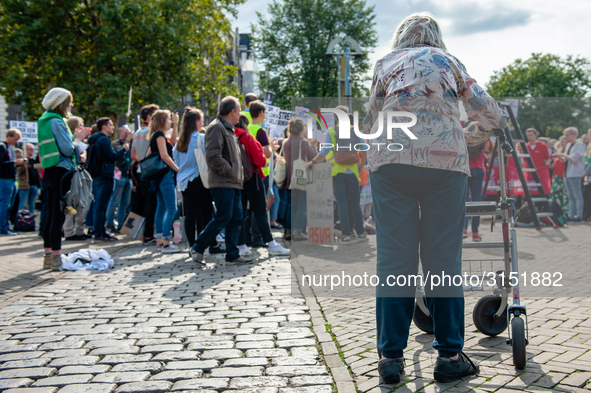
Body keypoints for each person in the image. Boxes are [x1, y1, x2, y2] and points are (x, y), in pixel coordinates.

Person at [364, 13, 506, 384]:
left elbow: (370, 118)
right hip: (444, 164)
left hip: (391, 162)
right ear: (435, 36)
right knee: (443, 258)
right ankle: (449, 356)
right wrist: (477, 130)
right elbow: (490, 112)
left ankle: (391, 358)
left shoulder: (385, 64)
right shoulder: (448, 61)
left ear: (400, 37)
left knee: (394, 259)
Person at [190, 96, 251, 264]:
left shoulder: (228, 128)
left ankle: (232, 253)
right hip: (223, 182)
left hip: (233, 182)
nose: (240, 115)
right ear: (232, 111)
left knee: (236, 218)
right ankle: (198, 247)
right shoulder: (217, 127)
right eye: (239, 111)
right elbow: (213, 156)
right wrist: (230, 171)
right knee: (223, 217)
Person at [37, 87, 86, 270]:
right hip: (62, 171)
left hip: (49, 170)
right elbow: (67, 148)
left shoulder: (43, 120)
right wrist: (78, 139)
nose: (72, 104)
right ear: (61, 103)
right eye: (69, 101)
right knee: (58, 214)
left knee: (50, 214)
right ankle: (57, 258)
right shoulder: (57, 121)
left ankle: (48, 256)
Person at [309, 108, 368, 243]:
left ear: (336, 118)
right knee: (355, 204)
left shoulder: (331, 131)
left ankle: (346, 235)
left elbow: (324, 151)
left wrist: (312, 162)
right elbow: (365, 151)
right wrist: (359, 168)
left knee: (341, 203)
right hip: (353, 172)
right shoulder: (355, 131)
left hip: (336, 172)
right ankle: (361, 233)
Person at [235, 115, 290, 257]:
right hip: (253, 177)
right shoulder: (248, 137)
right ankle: (271, 244)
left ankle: (241, 245)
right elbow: (261, 159)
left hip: (237, 178)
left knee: (240, 212)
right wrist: (269, 149)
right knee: (260, 211)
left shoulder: (231, 137)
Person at [173, 107, 224, 254]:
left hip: (184, 182)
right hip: (199, 179)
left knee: (190, 214)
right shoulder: (200, 138)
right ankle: (211, 245)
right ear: (196, 121)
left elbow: (176, 160)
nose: (202, 122)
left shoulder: (179, 143)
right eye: (201, 119)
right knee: (207, 214)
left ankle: (192, 246)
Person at [87, 117, 128, 241]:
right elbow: (111, 156)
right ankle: (99, 232)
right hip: (104, 175)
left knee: (100, 204)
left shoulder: (96, 139)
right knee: (101, 205)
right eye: (110, 125)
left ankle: (100, 231)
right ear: (103, 126)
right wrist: (123, 150)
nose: (113, 127)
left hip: (98, 175)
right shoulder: (104, 140)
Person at [146, 110, 181, 252]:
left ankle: (160, 240)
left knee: (161, 207)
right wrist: (178, 169)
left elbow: (172, 142)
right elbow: (165, 156)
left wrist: (176, 124)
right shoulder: (159, 135)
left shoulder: (158, 135)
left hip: (158, 176)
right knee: (171, 207)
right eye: (169, 120)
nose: (170, 122)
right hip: (165, 175)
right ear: (162, 121)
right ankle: (166, 241)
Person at [282, 118, 317, 241]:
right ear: (302, 129)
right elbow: (314, 158)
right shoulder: (304, 142)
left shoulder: (286, 142)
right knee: (302, 205)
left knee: (291, 205)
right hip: (301, 178)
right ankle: (297, 231)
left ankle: (288, 231)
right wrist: (314, 146)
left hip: (289, 178)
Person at [130, 104, 160, 245]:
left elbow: (132, 155)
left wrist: (142, 161)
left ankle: (136, 232)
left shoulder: (137, 132)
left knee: (141, 203)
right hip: (152, 172)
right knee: (152, 204)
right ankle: (149, 234)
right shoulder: (153, 133)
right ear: (149, 117)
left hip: (141, 171)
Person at [63, 116, 91, 241]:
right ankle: (69, 231)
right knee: (71, 202)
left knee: (82, 202)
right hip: (71, 174)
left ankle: (79, 230)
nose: (83, 127)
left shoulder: (81, 143)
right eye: (80, 125)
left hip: (79, 173)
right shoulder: (68, 139)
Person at [463, 137, 492, 242]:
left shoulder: (462, 126)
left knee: (464, 200)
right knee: (477, 200)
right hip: (478, 168)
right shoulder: (481, 127)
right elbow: (487, 147)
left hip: (465, 168)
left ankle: (464, 229)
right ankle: (475, 232)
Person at [554, 127, 586, 222]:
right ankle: (571, 215)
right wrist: (560, 157)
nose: (565, 137)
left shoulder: (580, 145)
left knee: (577, 196)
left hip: (575, 174)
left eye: (567, 135)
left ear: (573, 135)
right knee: (570, 196)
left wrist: (562, 155)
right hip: (567, 173)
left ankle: (579, 215)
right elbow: (567, 159)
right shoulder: (569, 145)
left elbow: (574, 159)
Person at [106, 125, 133, 234]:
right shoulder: (115, 144)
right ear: (120, 133)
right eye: (124, 132)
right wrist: (126, 142)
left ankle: (121, 224)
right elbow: (116, 156)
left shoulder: (131, 144)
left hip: (128, 176)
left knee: (125, 202)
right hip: (119, 176)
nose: (126, 134)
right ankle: (109, 223)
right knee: (114, 201)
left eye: (128, 132)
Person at [0, 129, 25, 236]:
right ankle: (3, 228)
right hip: (4, 179)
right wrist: (13, 162)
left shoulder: (10, 147)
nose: (16, 142)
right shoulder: (2, 146)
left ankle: (6, 226)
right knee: (4, 204)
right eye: (15, 139)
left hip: (12, 180)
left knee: (9, 205)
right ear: (9, 136)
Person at [525, 128, 552, 195]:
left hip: (540, 172)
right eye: (528, 135)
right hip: (530, 172)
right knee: (530, 192)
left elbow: (547, 158)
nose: (529, 137)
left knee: (541, 191)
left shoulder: (543, 145)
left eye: (531, 135)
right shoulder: (526, 146)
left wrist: (548, 162)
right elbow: (524, 160)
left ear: (536, 135)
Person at [17, 143, 41, 213]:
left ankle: (30, 220)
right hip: (25, 185)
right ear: (26, 150)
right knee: (22, 205)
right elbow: (19, 171)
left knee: (32, 205)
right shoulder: (22, 160)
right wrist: (23, 163)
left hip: (34, 185)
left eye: (33, 149)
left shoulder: (34, 161)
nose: (32, 151)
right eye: (30, 149)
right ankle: (20, 220)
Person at [550, 137, 569, 214]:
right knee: (556, 195)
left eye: (563, 142)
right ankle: (558, 211)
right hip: (556, 177)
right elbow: (553, 167)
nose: (562, 143)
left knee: (565, 195)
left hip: (564, 177)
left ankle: (566, 212)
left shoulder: (567, 154)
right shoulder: (558, 152)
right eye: (560, 142)